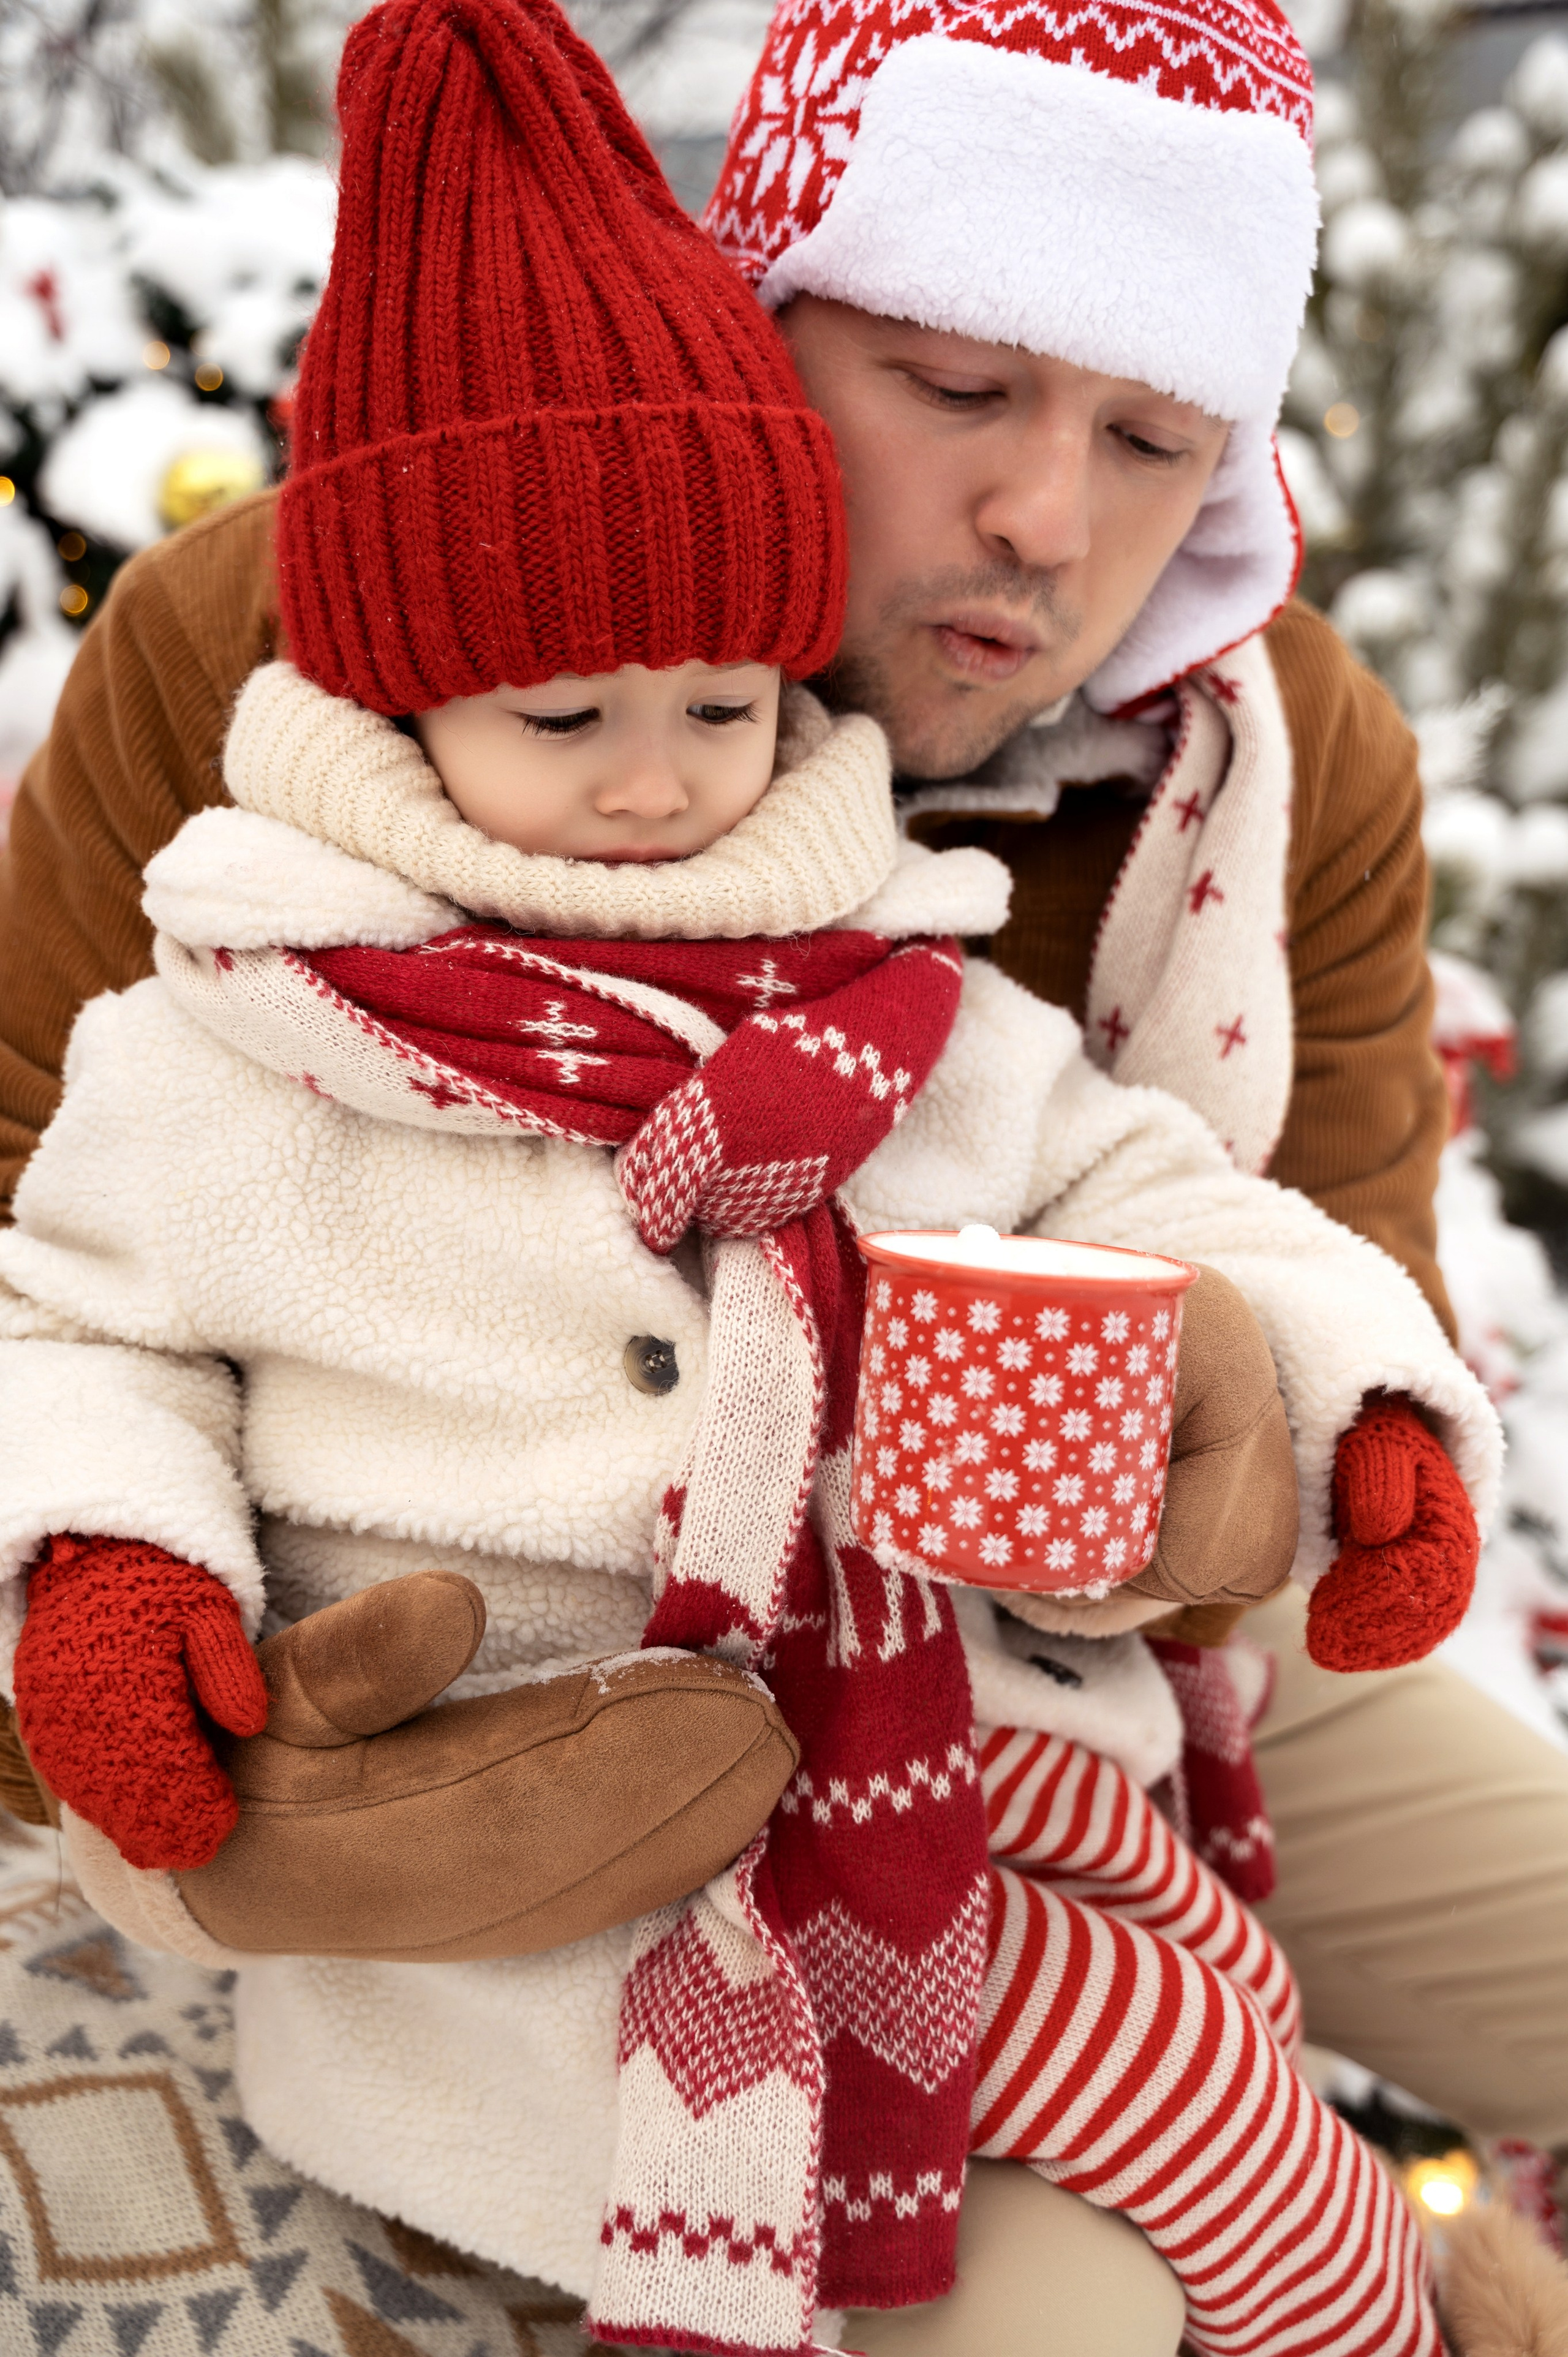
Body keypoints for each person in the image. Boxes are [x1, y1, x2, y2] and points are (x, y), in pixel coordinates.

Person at [0, 0, 1561, 2332]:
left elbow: (1326, 1295)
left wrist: (1250, 1468)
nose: (1052, 512)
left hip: (1048, 1662)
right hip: (481, 1654)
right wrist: (213, 1787)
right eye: (957, 388)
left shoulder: (1263, 758)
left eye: (1153, 435)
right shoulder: (314, 654)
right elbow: (53, 1252)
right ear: (769, 301)